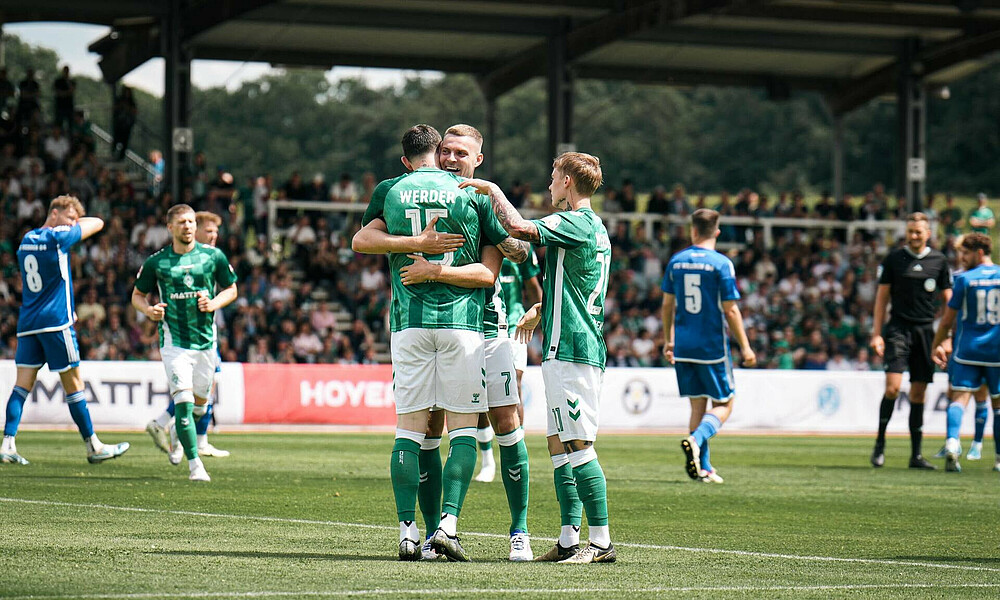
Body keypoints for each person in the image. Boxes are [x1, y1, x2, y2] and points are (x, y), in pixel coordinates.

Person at [351, 124, 511, 562]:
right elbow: (497, 260)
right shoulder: (473, 193)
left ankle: (407, 533)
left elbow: (361, 240)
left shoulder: (392, 188)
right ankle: (447, 526)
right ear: (440, 152)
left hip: (409, 325)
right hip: (462, 326)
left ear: (406, 159)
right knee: (463, 429)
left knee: (409, 431)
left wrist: (413, 244)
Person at [461, 152, 616, 564]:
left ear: (567, 181)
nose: (548, 185)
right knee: (558, 442)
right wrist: (543, 309)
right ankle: (568, 538)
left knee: (579, 444)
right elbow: (578, 286)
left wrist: (491, 189)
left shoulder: (578, 221)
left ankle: (600, 543)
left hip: (575, 348)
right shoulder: (595, 229)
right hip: (565, 343)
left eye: (552, 177)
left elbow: (516, 227)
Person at [1, 196, 130, 465]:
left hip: (28, 322)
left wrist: (67, 222)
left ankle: (8, 444)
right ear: (54, 212)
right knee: (74, 384)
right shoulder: (58, 237)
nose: (73, 222)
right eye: (70, 216)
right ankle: (93, 445)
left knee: (21, 386)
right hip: (56, 321)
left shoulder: (26, 239)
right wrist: (73, 225)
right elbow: (98, 222)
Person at [131, 204, 238, 482]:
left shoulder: (212, 256)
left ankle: (178, 433)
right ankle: (195, 465)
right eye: (181, 222)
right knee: (184, 401)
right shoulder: (157, 262)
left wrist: (213, 302)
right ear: (170, 228)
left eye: (191, 221)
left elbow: (231, 289)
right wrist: (148, 310)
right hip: (174, 343)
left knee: (200, 406)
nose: (188, 226)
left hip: (205, 343)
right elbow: (137, 295)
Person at [661, 209, 756, 484]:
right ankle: (696, 439)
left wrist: (669, 340)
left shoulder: (676, 261)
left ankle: (703, 468)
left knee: (697, 407)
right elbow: (731, 310)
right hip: (711, 345)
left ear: (693, 231)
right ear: (717, 232)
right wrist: (746, 347)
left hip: (684, 345)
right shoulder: (721, 264)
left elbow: (667, 304)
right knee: (725, 402)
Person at [869, 213, 951, 470]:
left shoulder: (939, 261)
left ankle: (916, 455)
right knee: (892, 388)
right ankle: (880, 445)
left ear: (928, 233)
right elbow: (882, 298)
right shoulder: (894, 259)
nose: (914, 236)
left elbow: (950, 301)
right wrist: (876, 332)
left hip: (927, 332)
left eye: (918, 232)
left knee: (918, 392)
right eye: (910, 231)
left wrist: (946, 337)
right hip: (898, 329)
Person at [930, 233, 1000, 473]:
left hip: (967, 350)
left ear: (979, 252)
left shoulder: (965, 279)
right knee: (998, 405)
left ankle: (952, 444)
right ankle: (999, 459)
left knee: (958, 398)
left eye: (966, 253)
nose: (962, 258)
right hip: (997, 353)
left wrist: (937, 344)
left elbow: (947, 320)